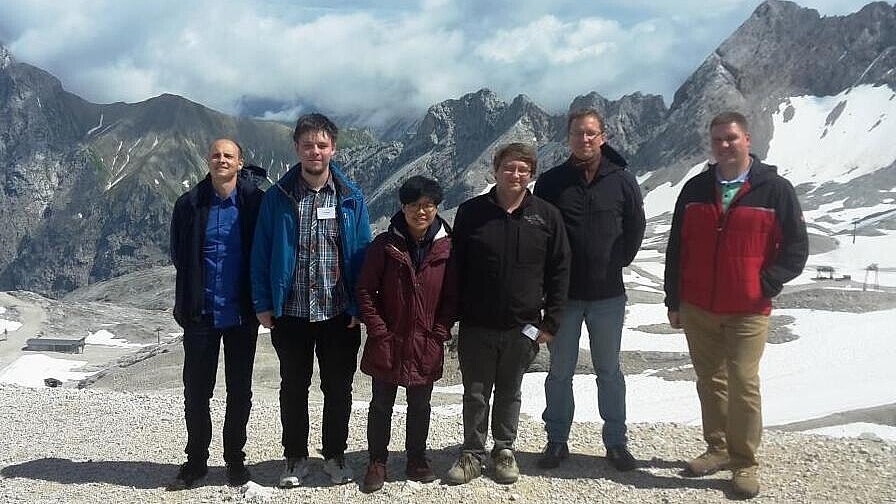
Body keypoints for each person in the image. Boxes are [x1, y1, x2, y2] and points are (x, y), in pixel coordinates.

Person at [664, 111, 808, 499]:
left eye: (731, 138)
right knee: (710, 381)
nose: (724, 146)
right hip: (697, 305)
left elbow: (796, 248)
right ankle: (717, 449)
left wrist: (765, 282)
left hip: (747, 307)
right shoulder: (694, 189)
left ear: (747, 139)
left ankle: (745, 462)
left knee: (744, 383)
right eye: (717, 140)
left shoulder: (775, 189)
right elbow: (677, 248)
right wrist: (673, 300)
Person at [251, 113, 371, 488]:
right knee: (293, 385)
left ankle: (335, 455)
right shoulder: (278, 197)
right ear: (297, 149)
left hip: (338, 312)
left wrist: (359, 306)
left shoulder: (351, 198)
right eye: (308, 145)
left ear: (333, 148)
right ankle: (295, 458)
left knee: (338, 388)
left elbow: (364, 255)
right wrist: (263, 303)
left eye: (322, 145)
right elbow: (262, 251)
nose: (315, 151)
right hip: (292, 311)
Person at [445, 143, 570, 485]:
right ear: (495, 170)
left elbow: (560, 269)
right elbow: (457, 266)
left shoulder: (546, 215)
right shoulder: (471, 212)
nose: (515, 175)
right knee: (475, 390)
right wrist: (451, 316)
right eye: (509, 168)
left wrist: (551, 321)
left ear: (531, 175)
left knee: (510, 390)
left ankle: (503, 449)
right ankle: (472, 452)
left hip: (524, 325)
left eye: (523, 170)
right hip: (477, 323)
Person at [534, 108, 646, 471]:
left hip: (608, 296)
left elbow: (635, 226)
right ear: (568, 138)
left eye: (591, 133)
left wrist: (615, 263)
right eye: (578, 133)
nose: (584, 139)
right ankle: (556, 441)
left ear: (603, 137)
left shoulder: (623, 180)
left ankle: (616, 442)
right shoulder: (552, 182)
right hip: (563, 296)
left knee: (609, 371)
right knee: (560, 371)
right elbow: (542, 234)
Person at [168, 138, 264, 489]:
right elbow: (180, 255)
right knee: (196, 390)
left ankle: (235, 460)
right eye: (216, 154)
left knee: (240, 391)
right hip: (200, 313)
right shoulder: (189, 204)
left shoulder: (256, 203)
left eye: (228, 155)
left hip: (241, 314)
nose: (221, 159)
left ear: (240, 163)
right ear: (208, 161)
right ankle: (196, 461)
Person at [356, 175, 455, 493]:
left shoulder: (447, 247)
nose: (421, 211)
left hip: (426, 340)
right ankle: (377, 461)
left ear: (437, 208)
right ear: (403, 207)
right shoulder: (383, 246)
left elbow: (453, 296)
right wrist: (379, 330)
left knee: (420, 404)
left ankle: (416, 459)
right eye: (414, 205)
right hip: (389, 339)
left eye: (428, 205)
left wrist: (440, 332)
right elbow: (365, 290)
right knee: (381, 404)